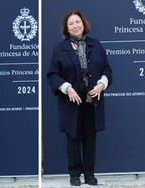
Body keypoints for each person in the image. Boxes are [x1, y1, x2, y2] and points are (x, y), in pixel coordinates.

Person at [47, 10, 112, 186]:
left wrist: (101, 84)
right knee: (73, 138)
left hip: (92, 101)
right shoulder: (60, 48)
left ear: (83, 24)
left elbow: (107, 70)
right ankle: (74, 174)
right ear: (66, 28)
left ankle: (89, 174)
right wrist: (67, 88)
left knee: (90, 138)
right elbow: (53, 75)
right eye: (71, 23)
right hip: (71, 101)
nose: (75, 25)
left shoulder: (96, 45)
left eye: (78, 22)